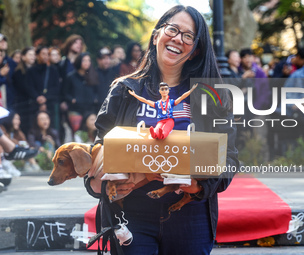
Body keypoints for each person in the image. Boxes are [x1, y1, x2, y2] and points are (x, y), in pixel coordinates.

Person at [88, 5, 239, 255]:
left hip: (189, 215)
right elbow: (99, 151)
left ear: (195, 51)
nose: (178, 38)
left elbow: (229, 159)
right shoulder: (124, 90)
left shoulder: (213, 97)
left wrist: (199, 187)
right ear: (157, 35)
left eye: (188, 36)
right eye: (173, 29)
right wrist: (105, 183)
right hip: (130, 212)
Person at [129, 82, 197, 139]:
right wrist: (134, 95)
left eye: (166, 89)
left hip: (169, 120)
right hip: (160, 120)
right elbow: (145, 100)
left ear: (168, 91)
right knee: (157, 128)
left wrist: (191, 90)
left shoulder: (171, 102)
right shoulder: (158, 103)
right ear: (160, 91)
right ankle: (154, 134)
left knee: (166, 129)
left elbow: (182, 97)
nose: (164, 91)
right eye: (162, 89)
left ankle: (162, 135)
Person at [25, 46, 61, 131]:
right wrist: (37, 97)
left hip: (50, 103)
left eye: (47, 54)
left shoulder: (53, 70)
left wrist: (45, 97)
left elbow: (56, 87)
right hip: (35, 104)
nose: (45, 56)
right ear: (37, 55)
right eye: (43, 54)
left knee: (52, 127)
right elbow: (29, 87)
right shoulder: (31, 71)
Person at [64, 52, 97, 132]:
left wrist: (94, 99)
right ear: (79, 61)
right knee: (77, 132)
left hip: (90, 109)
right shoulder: (71, 77)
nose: (87, 63)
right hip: (76, 109)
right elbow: (65, 92)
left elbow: (96, 91)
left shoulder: (93, 76)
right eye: (84, 60)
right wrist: (72, 99)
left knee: (91, 130)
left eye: (88, 60)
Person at [12, 47, 36, 135]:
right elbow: (25, 88)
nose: (33, 57)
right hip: (23, 104)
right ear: (23, 57)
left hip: (32, 104)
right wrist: (36, 96)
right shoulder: (19, 72)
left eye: (33, 55)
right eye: (30, 55)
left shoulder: (35, 70)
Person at [95, 47, 119, 112]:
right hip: (96, 108)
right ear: (98, 60)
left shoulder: (115, 73)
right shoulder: (93, 73)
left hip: (111, 108)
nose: (106, 61)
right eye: (103, 58)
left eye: (108, 58)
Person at [0, 33, 17, 111]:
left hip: (10, 100)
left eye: (4, 41)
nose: (3, 43)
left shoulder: (11, 62)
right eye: (1, 41)